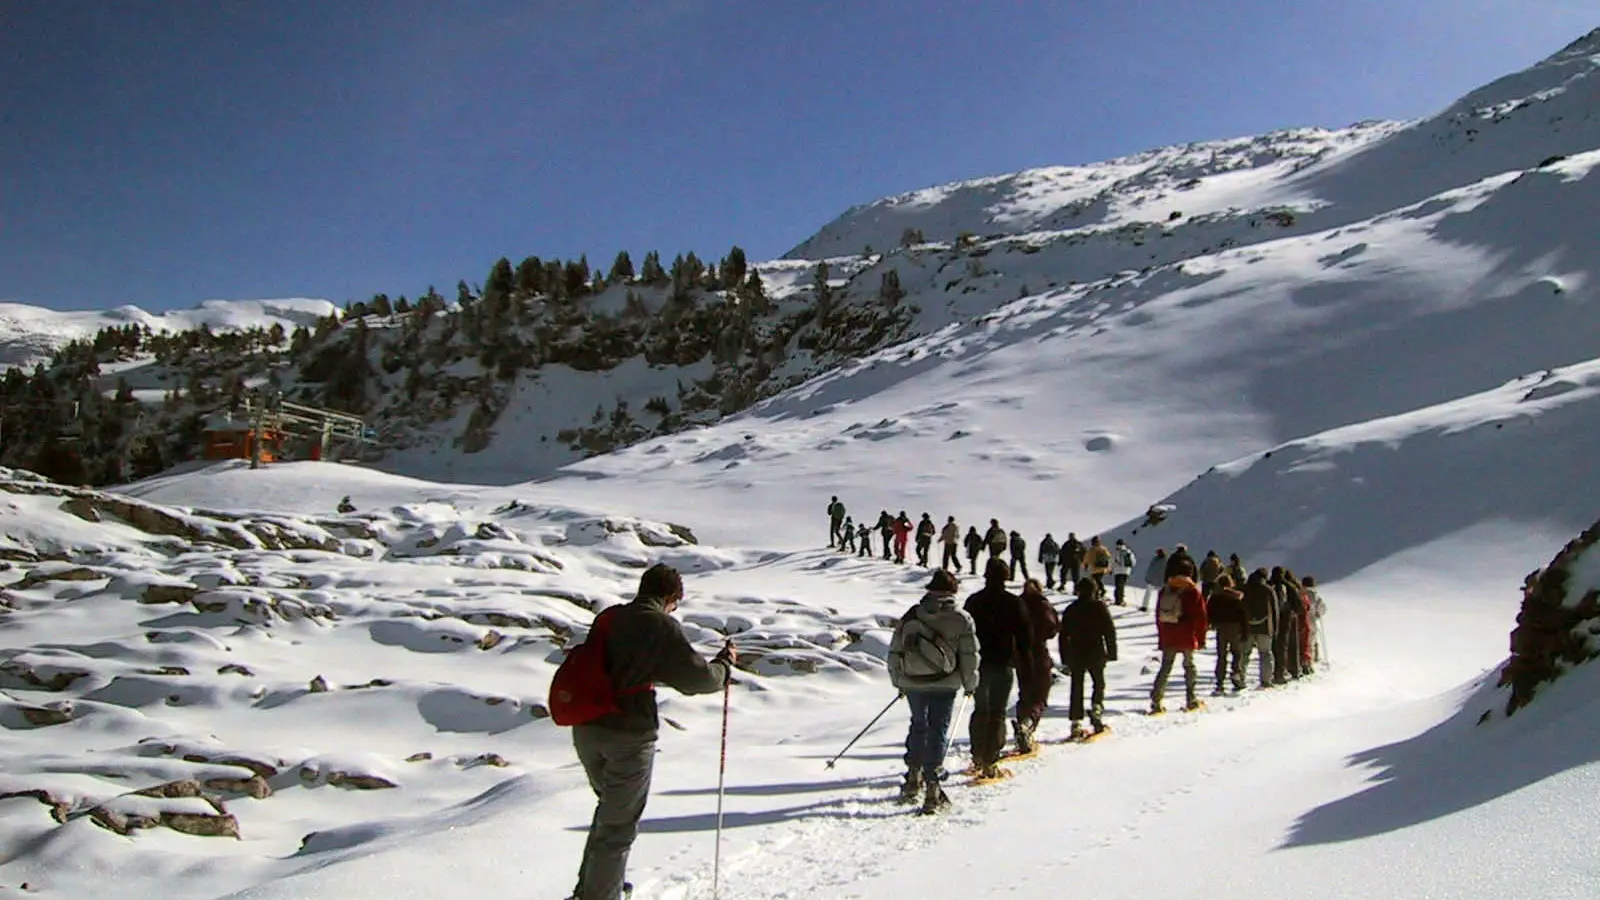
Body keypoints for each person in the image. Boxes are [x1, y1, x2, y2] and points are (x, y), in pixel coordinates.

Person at [568, 564, 735, 900]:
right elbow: (696, 679)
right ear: (671, 598)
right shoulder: (659, 624)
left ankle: (594, 887)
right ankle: (600, 895)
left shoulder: (610, 617)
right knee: (618, 823)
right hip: (628, 734)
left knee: (610, 811)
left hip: (587, 728)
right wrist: (724, 667)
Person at [888, 569, 979, 814]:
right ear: (953, 590)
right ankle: (932, 784)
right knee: (938, 729)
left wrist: (899, 681)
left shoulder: (913, 614)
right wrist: (970, 684)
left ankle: (912, 777)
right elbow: (969, 656)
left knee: (919, 725)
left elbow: (896, 649)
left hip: (914, 680)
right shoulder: (961, 618)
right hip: (945, 683)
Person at [963, 557, 1033, 778]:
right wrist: (1026, 664)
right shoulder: (1013, 603)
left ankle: (977, 755)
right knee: (997, 712)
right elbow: (1025, 637)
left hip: (978, 664)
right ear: (1006, 577)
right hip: (1003, 663)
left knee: (981, 710)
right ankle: (990, 761)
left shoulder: (974, 601)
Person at [1058, 576, 1117, 739]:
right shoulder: (1099, 607)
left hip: (1076, 652)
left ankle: (1075, 721)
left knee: (1077, 686)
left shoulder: (1071, 609)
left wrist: (1064, 657)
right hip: (1096, 651)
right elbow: (1109, 630)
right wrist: (1112, 652)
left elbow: (1063, 635)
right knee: (1098, 682)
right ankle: (1096, 709)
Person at [1150, 557, 1208, 714]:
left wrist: (1162, 635)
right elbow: (1200, 617)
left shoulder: (1165, 590)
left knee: (1165, 667)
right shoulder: (1192, 591)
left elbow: (1158, 615)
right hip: (1187, 635)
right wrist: (1201, 639)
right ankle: (1191, 698)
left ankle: (1156, 700)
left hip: (1169, 635)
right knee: (1189, 666)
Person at [1014, 579, 1059, 754]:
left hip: (1020, 655)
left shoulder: (1018, 604)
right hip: (1039, 653)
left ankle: (1021, 723)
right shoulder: (1042, 605)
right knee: (1040, 694)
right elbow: (1053, 627)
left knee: (1025, 692)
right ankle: (1028, 725)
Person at [1206, 573, 1247, 695]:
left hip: (1221, 628)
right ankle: (1236, 674)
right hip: (1235, 627)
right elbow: (1243, 615)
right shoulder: (1236, 597)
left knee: (1221, 656)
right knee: (1237, 653)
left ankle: (1219, 682)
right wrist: (1245, 631)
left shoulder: (1214, 597)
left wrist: (1211, 624)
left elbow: (1208, 612)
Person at [1240, 568, 1278, 689]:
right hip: (1265, 627)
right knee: (1265, 654)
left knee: (1244, 654)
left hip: (1247, 627)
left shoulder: (1245, 588)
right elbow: (1274, 611)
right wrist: (1275, 629)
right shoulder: (1268, 590)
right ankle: (1266, 680)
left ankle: (1240, 678)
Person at [1270, 567, 1303, 684]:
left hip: (1271, 619)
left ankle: (1274, 672)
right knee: (1289, 645)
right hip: (1288, 618)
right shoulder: (1290, 586)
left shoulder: (1269, 585)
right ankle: (1292, 670)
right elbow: (1299, 605)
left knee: (1275, 646)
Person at [1304, 575, 1327, 666]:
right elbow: (1323, 608)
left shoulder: (1300, 593)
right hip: (1312, 621)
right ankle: (1310, 661)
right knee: (1311, 642)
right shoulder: (1316, 595)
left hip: (1301, 621)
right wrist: (1318, 615)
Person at [1110, 539, 1137, 606]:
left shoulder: (1116, 551)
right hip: (1126, 571)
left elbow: (1111, 561)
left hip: (1118, 571)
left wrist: (1110, 569)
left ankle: (1118, 600)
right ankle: (1120, 599)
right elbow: (1133, 562)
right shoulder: (1128, 551)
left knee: (1118, 586)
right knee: (1122, 586)